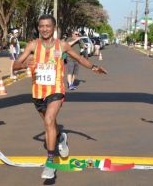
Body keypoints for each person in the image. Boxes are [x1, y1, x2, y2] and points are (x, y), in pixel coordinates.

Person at [12, 14, 107, 179]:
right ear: (38, 28)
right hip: (38, 92)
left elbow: (78, 57)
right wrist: (24, 64)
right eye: (41, 26)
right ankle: (61, 137)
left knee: (49, 120)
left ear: (54, 28)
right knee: (50, 124)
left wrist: (93, 67)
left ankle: (50, 162)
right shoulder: (33, 45)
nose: (44, 29)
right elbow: (14, 66)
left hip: (56, 90)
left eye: (48, 26)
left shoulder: (61, 45)